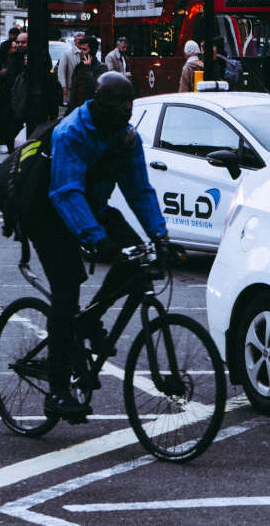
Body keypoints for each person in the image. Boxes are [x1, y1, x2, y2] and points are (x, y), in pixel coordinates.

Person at [21, 72, 168, 419]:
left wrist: (159, 236)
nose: (126, 112)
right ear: (99, 103)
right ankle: (57, 391)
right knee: (67, 287)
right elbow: (65, 192)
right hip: (47, 213)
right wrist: (96, 239)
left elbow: (139, 190)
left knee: (135, 259)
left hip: (92, 207)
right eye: (119, 105)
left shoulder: (127, 139)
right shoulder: (71, 132)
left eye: (129, 105)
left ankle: (90, 321)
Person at [66, 36, 107, 115]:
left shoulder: (101, 68)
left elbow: (95, 87)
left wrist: (87, 69)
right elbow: (74, 91)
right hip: (77, 111)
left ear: (92, 51)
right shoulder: (78, 67)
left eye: (84, 49)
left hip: (90, 112)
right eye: (80, 49)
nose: (81, 52)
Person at [58, 32, 85, 105]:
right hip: (71, 88)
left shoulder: (87, 53)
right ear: (75, 41)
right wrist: (63, 86)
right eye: (78, 40)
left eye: (82, 40)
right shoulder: (66, 53)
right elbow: (61, 71)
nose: (80, 42)